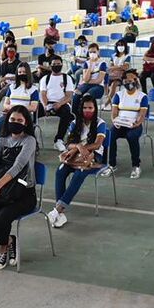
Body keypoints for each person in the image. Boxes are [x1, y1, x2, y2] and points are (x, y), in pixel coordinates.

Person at [0, 105, 39, 270]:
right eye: (12, 119)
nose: (15, 123)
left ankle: (2, 249)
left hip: (23, 194)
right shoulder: (1, 141)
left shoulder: (29, 141)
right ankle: (10, 240)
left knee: (1, 219)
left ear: (26, 123)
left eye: (19, 120)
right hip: (2, 192)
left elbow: (17, 167)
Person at [48, 95, 108, 228]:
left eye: (90, 108)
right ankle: (61, 212)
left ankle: (58, 209)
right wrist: (78, 147)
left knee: (79, 174)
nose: (88, 110)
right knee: (60, 171)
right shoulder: (75, 123)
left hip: (94, 157)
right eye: (85, 108)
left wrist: (80, 147)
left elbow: (97, 145)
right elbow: (68, 144)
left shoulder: (100, 123)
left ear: (95, 108)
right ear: (81, 109)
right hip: (75, 155)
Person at [104, 69, 149, 179]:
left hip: (134, 125)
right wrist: (115, 121)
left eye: (132, 80)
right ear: (123, 82)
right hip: (120, 123)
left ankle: (136, 165)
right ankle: (112, 164)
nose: (129, 83)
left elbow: (142, 115)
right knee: (110, 135)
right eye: (126, 80)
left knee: (132, 136)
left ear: (136, 80)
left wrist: (137, 124)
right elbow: (114, 113)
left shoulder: (142, 96)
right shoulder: (119, 95)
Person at [0, 63, 39, 141]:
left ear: (28, 73)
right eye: (19, 72)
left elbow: (33, 108)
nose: (22, 74)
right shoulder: (11, 87)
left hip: (25, 115)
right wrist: (12, 108)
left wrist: (17, 109)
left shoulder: (33, 89)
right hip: (10, 114)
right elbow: (5, 104)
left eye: (24, 72)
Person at [39, 55, 76, 151]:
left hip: (62, 103)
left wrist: (59, 104)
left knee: (67, 113)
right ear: (50, 65)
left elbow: (69, 95)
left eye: (58, 64)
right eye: (54, 64)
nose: (56, 66)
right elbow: (43, 94)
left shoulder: (67, 78)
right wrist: (45, 106)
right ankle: (32, 140)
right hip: (47, 103)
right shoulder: (45, 79)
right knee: (32, 113)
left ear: (62, 65)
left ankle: (58, 140)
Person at [73, 43, 108, 112]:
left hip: (98, 87)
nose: (92, 54)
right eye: (90, 52)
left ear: (98, 52)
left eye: (94, 52)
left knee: (87, 95)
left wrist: (87, 81)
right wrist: (90, 66)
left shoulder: (102, 63)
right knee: (76, 94)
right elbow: (85, 79)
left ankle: (87, 115)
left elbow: (99, 80)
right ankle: (75, 115)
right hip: (86, 85)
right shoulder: (87, 63)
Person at [104, 40, 131, 109]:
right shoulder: (113, 56)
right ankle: (109, 102)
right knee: (105, 84)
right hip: (112, 75)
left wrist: (115, 67)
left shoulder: (127, 56)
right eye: (119, 45)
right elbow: (110, 67)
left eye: (122, 45)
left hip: (122, 76)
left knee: (114, 84)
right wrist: (119, 67)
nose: (120, 47)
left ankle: (107, 103)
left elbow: (125, 68)